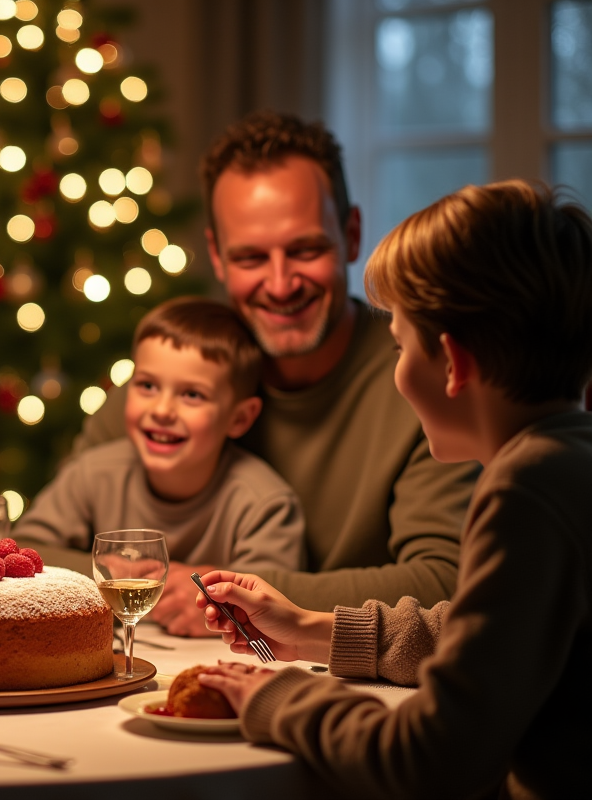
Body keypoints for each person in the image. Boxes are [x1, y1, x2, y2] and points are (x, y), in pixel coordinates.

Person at [194, 180, 592, 799]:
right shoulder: (570, 459)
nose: (398, 374)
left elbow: (431, 760)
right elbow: (479, 641)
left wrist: (284, 695)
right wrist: (309, 626)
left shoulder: (527, 491)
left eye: (401, 346)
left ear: (454, 365)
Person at [77, 111, 476, 635]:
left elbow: (446, 582)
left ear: (352, 236)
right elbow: (44, 550)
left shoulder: (422, 375)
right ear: (217, 257)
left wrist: (226, 592)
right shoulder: (176, 374)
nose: (282, 283)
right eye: (250, 258)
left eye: (306, 250)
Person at [14, 298, 303, 575]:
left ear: (239, 418)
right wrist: (107, 571)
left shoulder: (265, 507)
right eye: (148, 386)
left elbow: (273, 604)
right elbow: (27, 552)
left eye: (192, 394)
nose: (162, 410)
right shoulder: (93, 473)